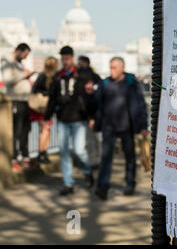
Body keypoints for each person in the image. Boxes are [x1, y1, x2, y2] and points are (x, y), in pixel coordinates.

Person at [89, 57, 148, 200]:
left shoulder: (131, 83)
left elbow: (140, 104)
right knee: (106, 157)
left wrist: (143, 125)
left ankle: (129, 184)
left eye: (114, 67)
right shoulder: (105, 84)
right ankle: (102, 187)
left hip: (127, 126)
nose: (111, 71)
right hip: (108, 126)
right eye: (110, 67)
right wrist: (92, 114)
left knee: (130, 157)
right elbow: (95, 103)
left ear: (122, 68)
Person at [43, 46, 95, 196]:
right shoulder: (58, 77)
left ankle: (88, 171)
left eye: (67, 58)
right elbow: (52, 99)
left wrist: (91, 116)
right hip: (63, 119)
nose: (64, 61)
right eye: (62, 58)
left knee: (79, 150)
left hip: (78, 119)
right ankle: (68, 183)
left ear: (72, 58)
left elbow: (89, 98)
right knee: (64, 152)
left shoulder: (82, 75)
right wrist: (47, 117)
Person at [0, 43, 34, 171]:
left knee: (25, 130)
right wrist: (24, 75)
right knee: (16, 131)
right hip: (15, 101)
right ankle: (14, 158)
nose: (26, 57)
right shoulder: (8, 62)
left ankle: (24, 157)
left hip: (25, 101)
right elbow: (8, 80)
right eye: (25, 54)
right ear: (19, 51)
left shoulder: (19, 64)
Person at [29, 56, 59, 164]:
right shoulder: (53, 77)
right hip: (44, 107)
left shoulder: (42, 76)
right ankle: (42, 153)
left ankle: (43, 152)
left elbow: (34, 89)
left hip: (42, 107)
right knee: (46, 129)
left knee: (46, 130)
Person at [77, 55, 102, 169]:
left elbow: (99, 99)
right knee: (91, 141)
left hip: (94, 116)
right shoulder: (80, 78)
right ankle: (94, 162)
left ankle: (99, 161)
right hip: (86, 116)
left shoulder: (94, 77)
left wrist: (93, 118)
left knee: (97, 140)